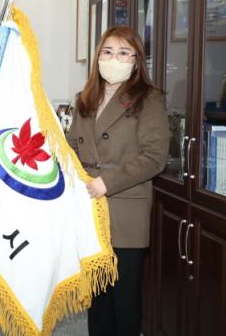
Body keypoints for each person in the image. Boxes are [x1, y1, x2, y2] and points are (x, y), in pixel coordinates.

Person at [67, 26, 169, 336]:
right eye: (108, 52)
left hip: (125, 209)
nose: (114, 59)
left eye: (124, 53)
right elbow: (72, 148)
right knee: (97, 297)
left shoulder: (148, 98)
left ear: (137, 60)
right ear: (98, 57)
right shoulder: (84, 98)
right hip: (88, 207)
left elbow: (154, 157)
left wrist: (106, 182)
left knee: (125, 299)